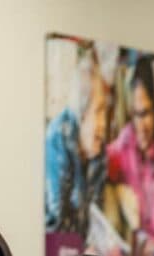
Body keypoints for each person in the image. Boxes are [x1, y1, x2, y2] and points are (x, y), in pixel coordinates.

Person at [106, 56, 154, 256]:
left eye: (146, 113)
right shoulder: (127, 140)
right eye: (136, 114)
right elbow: (104, 164)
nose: (141, 125)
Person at [45, 49, 108, 240]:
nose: (102, 124)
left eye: (104, 112)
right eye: (97, 112)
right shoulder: (57, 139)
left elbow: (97, 218)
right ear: (81, 112)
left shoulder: (98, 150)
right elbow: (57, 223)